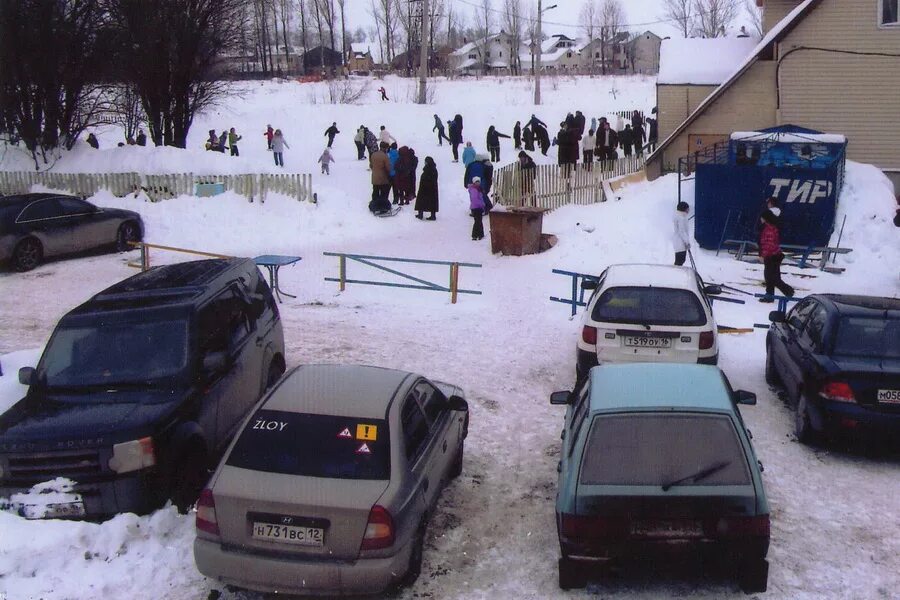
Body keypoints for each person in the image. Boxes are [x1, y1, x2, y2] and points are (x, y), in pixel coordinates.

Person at [758, 209, 795, 302]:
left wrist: (763, 255)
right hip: (775, 255)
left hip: (772, 256)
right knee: (771, 277)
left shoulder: (769, 229)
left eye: (762, 217)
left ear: (765, 218)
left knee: (771, 277)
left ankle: (788, 291)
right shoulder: (771, 227)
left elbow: (769, 245)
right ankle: (770, 296)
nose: (760, 219)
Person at [369, 142, 392, 214]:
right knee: (383, 194)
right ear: (385, 148)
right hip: (383, 178)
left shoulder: (373, 154)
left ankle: (374, 206)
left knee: (375, 192)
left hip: (374, 177)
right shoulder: (385, 156)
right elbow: (388, 168)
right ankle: (383, 208)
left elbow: (371, 165)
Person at [415, 156, 439, 220]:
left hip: (425, 188)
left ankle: (420, 214)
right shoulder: (434, 169)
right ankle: (433, 215)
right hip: (433, 189)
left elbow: (426, 178)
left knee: (421, 201)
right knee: (432, 202)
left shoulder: (427, 169)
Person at [673, 201, 691, 266]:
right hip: (680, 242)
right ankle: (675, 271)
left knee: (680, 260)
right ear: (684, 209)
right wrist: (687, 242)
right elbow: (682, 231)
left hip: (679, 242)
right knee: (680, 261)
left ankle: (676, 270)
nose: (688, 210)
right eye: (687, 209)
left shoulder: (679, 216)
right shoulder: (681, 218)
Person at [468, 176, 486, 241]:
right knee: (477, 221)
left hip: (479, 207)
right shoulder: (474, 189)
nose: (478, 183)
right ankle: (475, 235)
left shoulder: (478, 189)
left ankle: (480, 234)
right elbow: (475, 199)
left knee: (479, 221)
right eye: (476, 182)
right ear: (474, 182)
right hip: (476, 207)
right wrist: (482, 204)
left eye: (478, 182)